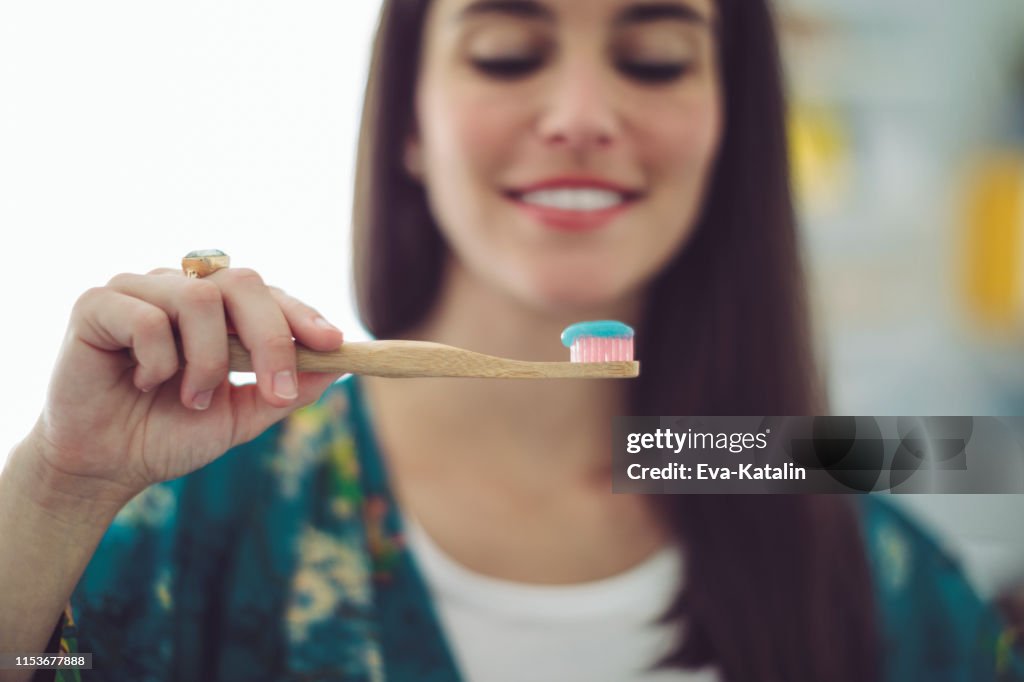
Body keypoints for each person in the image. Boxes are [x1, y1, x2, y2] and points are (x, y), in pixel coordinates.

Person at [1, 0, 1021, 680]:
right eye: (505, 53)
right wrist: (58, 486)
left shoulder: (829, 529)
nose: (580, 115)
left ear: (730, 124)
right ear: (408, 118)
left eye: (656, 61)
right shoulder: (190, 510)